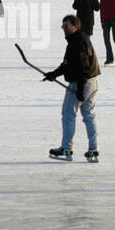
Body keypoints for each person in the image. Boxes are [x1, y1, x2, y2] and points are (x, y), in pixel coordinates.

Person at [43, 14, 100, 162]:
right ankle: (93, 149)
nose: (63, 28)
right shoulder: (77, 40)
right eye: (63, 25)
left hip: (82, 82)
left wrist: (80, 89)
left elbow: (83, 67)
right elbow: (68, 64)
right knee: (89, 115)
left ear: (75, 27)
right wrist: (54, 74)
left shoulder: (78, 42)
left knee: (68, 114)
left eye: (66, 25)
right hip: (92, 81)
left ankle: (66, 148)